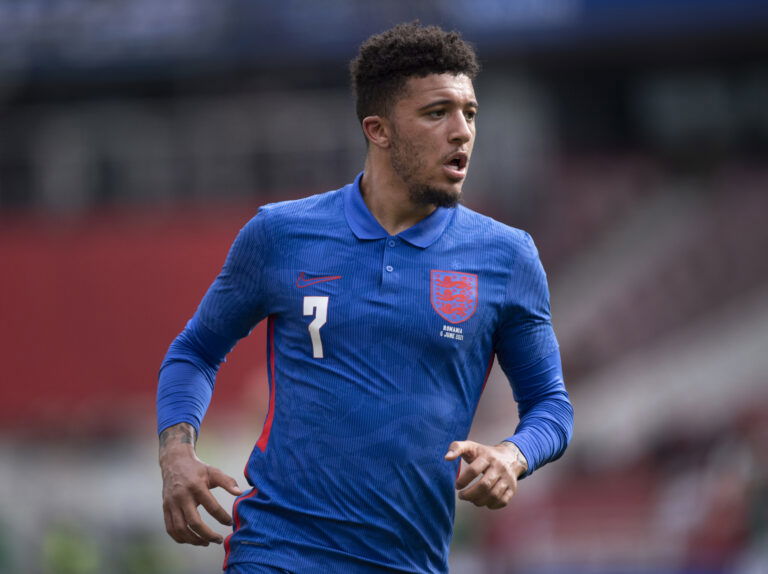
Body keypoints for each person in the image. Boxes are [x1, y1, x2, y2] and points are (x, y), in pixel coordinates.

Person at [157, 22, 574, 574]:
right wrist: (176, 454)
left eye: (469, 113)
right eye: (437, 113)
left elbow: (552, 407)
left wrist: (511, 455)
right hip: (278, 550)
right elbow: (195, 352)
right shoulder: (280, 235)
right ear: (378, 130)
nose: (462, 132)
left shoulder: (507, 257)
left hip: (409, 561)